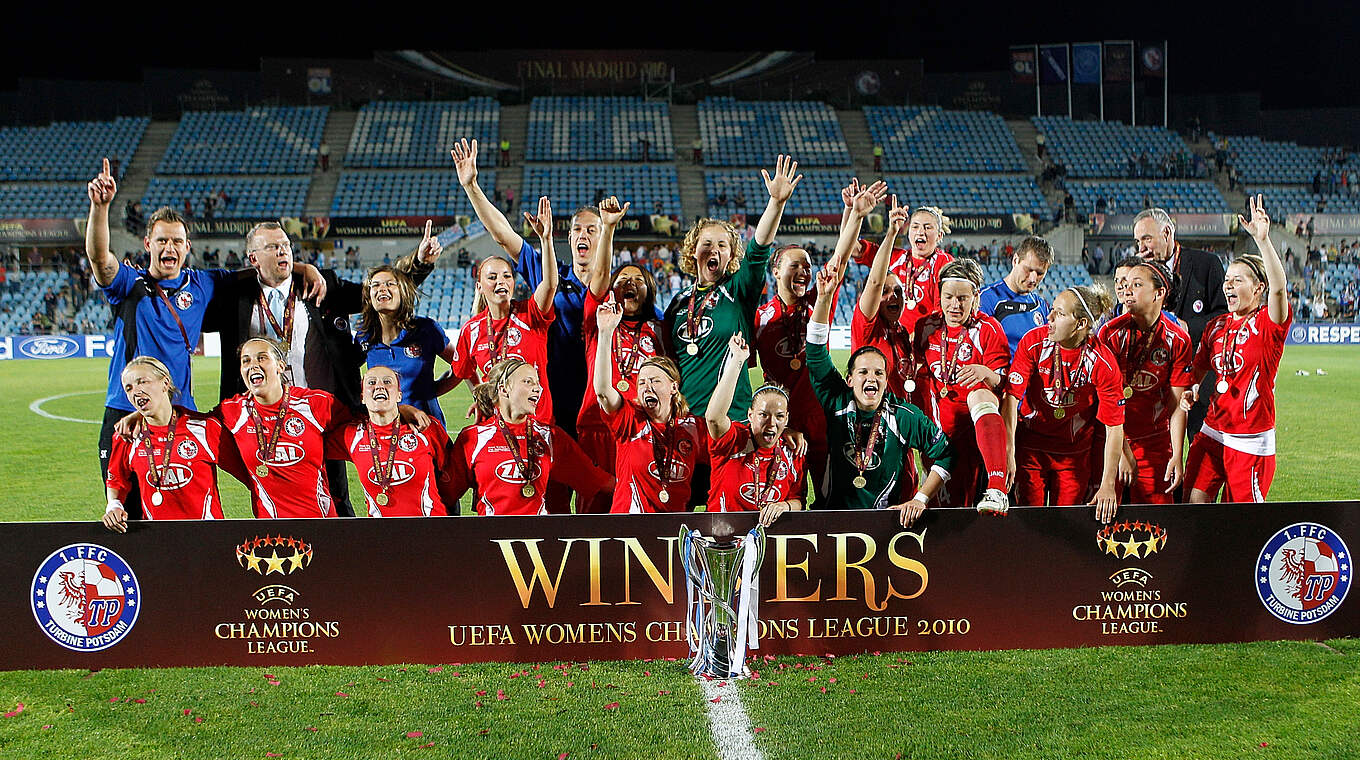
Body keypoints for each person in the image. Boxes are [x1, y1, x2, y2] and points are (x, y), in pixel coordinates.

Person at [206, 220, 437, 517]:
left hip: (320, 415)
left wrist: (418, 263)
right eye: (273, 247)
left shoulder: (322, 284)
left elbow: (380, 292)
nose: (283, 252)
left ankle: (346, 559)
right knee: (272, 502)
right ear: (253, 258)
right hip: (264, 422)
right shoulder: (234, 295)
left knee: (338, 500)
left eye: (287, 246)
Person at [86, 158, 238, 522]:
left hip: (179, 413)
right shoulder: (129, 283)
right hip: (126, 410)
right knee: (127, 514)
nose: (169, 248)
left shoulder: (203, 283)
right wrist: (100, 207)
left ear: (188, 247)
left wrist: (301, 267)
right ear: (147, 244)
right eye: (162, 240)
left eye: (177, 241)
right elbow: (99, 258)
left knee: (190, 515)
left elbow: (256, 273)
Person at [452, 138, 592, 439]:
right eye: (577, 229)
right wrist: (472, 187)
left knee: (599, 484)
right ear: (567, 238)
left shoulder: (618, 287)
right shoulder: (550, 273)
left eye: (593, 230)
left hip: (597, 406)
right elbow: (503, 235)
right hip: (548, 402)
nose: (584, 236)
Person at [806, 262, 954, 527]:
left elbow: (945, 452)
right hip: (835, 521)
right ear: (850, 379)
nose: (871, 378)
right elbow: (816, 352)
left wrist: (921, 498)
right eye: (863, 372)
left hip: (889, 523)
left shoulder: (903, 415)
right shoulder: (837, 400)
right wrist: (825, 298)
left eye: (878, 373)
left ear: (887, 381)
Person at [663, 154, 801, 419]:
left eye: (722, 245)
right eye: (706, 244)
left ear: (731, 255)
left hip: (732, 420)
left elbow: (759, 249)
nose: (713, 250)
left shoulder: (739, 290)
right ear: (693, 251)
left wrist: (776, 203)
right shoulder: (678, 303)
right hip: (686, 422)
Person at [1182, 195, 1291, 503]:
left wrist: (1263, 240)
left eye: (1237, 281)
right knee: (1194, 502)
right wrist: (1192, 388)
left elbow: (1280, 288)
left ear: (1258, 288)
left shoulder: (1270, 325)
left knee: (1242, 521)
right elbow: (1200, 366)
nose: (1228, 286)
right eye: (1227, 281)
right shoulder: (1216, 326)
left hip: (1250, 438)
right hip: (1214, 428)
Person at [753, 221, 857, 504]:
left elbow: (840, 259)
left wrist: (855, 216)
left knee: (831, 497)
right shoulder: (759, 319)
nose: (803, 272)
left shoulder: (819, 302)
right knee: (783, 499)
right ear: (775, 271)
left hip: (822, 417)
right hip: (783, 423)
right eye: (794, 265)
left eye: (807, 267)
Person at [1004, 285, 1125, 523]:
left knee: (1066, 523)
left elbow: (1114, 426)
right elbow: (1011, 398)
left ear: (1080, 324)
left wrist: (1108, 484)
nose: (1048, 318)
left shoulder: (1103, 362)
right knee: (1030, 522)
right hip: (1031, 450)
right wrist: (1009, 450)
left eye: (1059, 314)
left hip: (1073, 455)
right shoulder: (1033, 342)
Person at [577, 196, 665, 511]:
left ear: (649, 291)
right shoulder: (597, 319)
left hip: (642, 429)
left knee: (639, 508)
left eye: (638, 280)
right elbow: (599, 280)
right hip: (597, 426)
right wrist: (609, 228)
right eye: (622, 279)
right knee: (595, 510)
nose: (629, 283)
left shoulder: (658, 330)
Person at [448, 358, 612, 515]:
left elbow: (596, 480)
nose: (538, 389)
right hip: (491, 539)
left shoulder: (550, 436)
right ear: (504, 389)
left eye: (538, 383)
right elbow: (445, 495)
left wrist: (634, 484)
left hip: (537, 540)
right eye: (528, 382)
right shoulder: (473, 438)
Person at [913, 259, 1012, 513]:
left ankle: (997, 488)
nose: (954, 305)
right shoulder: (927, 326)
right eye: (948, 297)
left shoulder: (989, 329)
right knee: (943, 510)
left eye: (962, 298)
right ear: (939, 294)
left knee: (973, 510)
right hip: (940, 433)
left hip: (979, 433)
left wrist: (985, 372)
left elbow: (1004, 384)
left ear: (975, 296)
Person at [450, 196, 558, 422]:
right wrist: (479, 394)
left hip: (537, 424)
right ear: (479, 286)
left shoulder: (530, 314)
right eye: (492, 277)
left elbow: (549, 285)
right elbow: (463, 371)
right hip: (495, 428)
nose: (501, 281)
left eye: (506, 276)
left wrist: (546, 240)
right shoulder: (471, 330)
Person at [593, 300, 708, 513]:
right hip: (628, 530)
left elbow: (728, 447)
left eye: (655, 381)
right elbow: (602, 390)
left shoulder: (694, 427)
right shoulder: (629, 419)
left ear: (674, 387)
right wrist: (605, 332)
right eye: (642, 382)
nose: (647, 387)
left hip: (673, 531)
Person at [102, 357, 238, 532]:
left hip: (207, 538)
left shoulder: (204, 428)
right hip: (158, 542)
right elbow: (116, 481)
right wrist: (113, 505)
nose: (136, 391)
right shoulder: (128, 436)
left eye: (142, 382)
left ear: (165, 383)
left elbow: (247, 471)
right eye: (129, 388)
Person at [218, 337, 349, 518]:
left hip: (321, 525)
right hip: (270, 531)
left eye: (262, 358)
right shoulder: (232, 411)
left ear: (280, 366)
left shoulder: (316, 404)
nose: (253, 365)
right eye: (246, 360)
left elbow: (365, 431)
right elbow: (193, 428)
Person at [1096, 259, 1192, 504]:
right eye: (1126, 284)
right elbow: (1106, 400)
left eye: (1136, 285)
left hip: (1155, 441)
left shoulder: (1178, 339)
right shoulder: (1110, 333)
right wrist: (1122, 452)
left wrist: (1177, 455)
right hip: (1110, 437)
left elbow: (1176, 404)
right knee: (1103, 515)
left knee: (1156, 522)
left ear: (1159, 293)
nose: (1127, 290)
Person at [1132, 207, 1226, 438]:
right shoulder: (1137, 274)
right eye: (1137, 242)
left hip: (1197, 378)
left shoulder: (1207, 264)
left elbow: (1223, 317)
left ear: (1167, 232)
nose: (1141, 248)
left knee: (1200, 452)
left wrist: (1187, 328)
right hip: (1154, 379)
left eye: (1146, 239)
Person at [327, 366, 454, 517]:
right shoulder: (351, 435)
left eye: (387, 382)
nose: (379, 386)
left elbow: (453, 479)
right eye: (371, 382)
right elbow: (311, 446)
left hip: (430, 530)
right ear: (362, 397)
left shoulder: (425, 428)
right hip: (381, 534)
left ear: (399, 395)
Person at [705, 335, 805, 526]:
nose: (772, 423)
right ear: (750, 415)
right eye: (764, 415)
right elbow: (714, 418)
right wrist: (737, 361)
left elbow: (798, 499)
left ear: (787, 419)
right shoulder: (733, 441)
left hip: (768, 542)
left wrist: (785, 506)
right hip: (723, 538)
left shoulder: (793, 450)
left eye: (779, 416)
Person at [354, 266, 458, 426]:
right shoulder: (364, 337)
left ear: (402, 292)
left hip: (426, 426)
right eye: (375, 285)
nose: (382, 289)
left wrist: (431, 391)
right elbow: (349, 379)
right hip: (386, 429)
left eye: (390, 284)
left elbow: (461, 364)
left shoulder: (426, 329)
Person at [850, 201, 955, 334]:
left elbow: (943, 311)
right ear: (908, 231)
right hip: (895, 342)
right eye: (915, 227)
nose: (921, 232)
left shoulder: (943, 262)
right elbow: (852, 249)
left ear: (939, 236)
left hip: (926, 344)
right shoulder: (894, 257)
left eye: (928, 228)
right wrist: (853, 212)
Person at [851, 192, 917, 400]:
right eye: (885, 292)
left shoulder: (900, 333)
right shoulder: (867, 326)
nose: (893, 297)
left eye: (898, 291)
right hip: (875, 418)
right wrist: (891, 233)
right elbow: (875, 281)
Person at [979, 236, 1054, 355]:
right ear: (1015, 260)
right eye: (1028, 270)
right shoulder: (986, 299)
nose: (1033, 279)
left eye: (1040, 273)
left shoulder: (1041, 306)